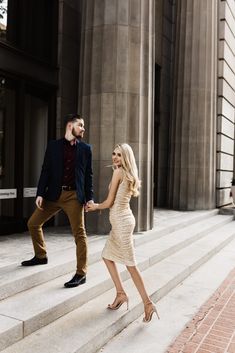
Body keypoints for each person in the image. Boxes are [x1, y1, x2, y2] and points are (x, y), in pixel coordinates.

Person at [87, 143, 159, 323]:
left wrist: (95, 206)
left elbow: (109, 201)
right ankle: (120, 293)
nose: (115, 157)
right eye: (113, 154)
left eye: (119, 155)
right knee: (107, 256)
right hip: (123, 220)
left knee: (130, 264)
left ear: (126, 157)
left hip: (121, 222)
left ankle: (148, 303)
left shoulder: (119, 172)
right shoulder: (126, 172)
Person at [21, 113, 93, 288]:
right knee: (33, 223)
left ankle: (81, 273)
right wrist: (40, 193)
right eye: (80, 125)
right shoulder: (53, 146)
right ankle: (41, 256)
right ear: (70, 126)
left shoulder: (85, 149)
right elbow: (45, 170)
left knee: (80, 234)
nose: (83, 128)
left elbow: (88, 175)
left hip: (74, 196)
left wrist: (89, 198)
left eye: (83, 126)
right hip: (53, 195)